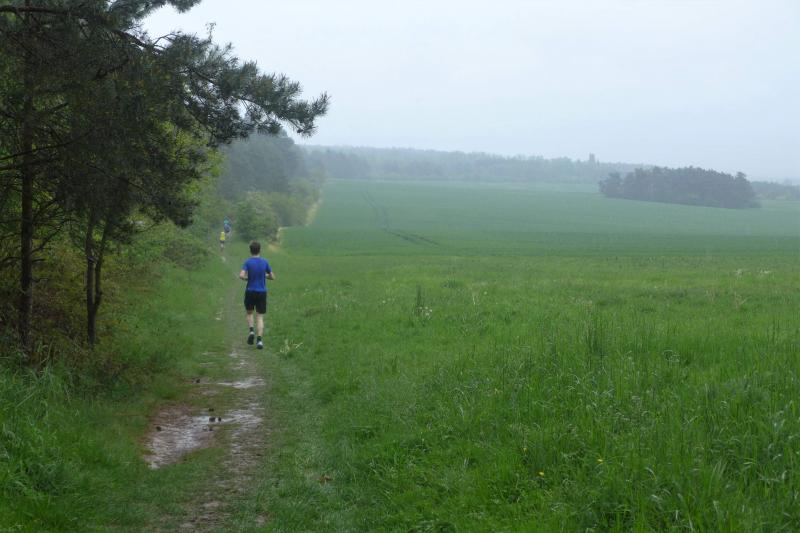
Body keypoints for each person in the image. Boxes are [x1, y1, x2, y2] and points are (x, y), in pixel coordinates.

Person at [239, 241, 275, 350]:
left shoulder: (247, 262)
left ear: (250, 250)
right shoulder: (265, 262)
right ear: (260, 250)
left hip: (250, 291)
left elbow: (241, 275)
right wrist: (265, 276)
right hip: (262, 292)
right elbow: (273, 277)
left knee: (249, 313)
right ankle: (259, 340)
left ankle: (251, 331)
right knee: (260, 317)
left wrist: (247, 278)